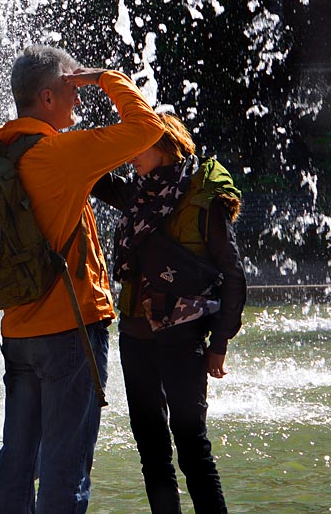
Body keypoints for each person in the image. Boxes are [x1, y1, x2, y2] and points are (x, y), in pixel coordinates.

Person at [0, 44, 165, 513]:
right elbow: (149, 128)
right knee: (65, 469)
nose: (78, 100)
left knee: (17, 462)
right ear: (47, 98)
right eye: (71, 90)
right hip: (68, 333)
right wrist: (106, 77)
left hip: (19, 333)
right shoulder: (59, 154)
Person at [92, 113, 246, 514]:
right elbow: (91, 173)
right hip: (136, 337)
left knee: (193, 446)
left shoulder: (203, 198)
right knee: (151, 448)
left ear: (163, 145)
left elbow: (233, 273)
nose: (129, 158)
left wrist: (220, 344)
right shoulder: (138, 194)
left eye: (137, 145)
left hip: (184, 337)